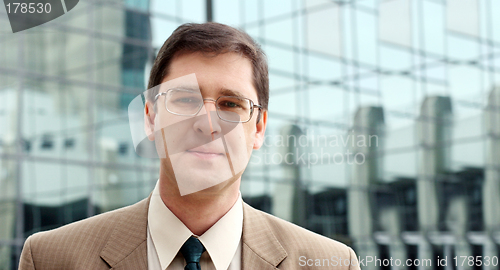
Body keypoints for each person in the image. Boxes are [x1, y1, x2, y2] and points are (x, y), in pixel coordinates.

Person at [19, 22, 360, 270]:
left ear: (258, 129)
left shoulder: (329, 264)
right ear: (150, 118)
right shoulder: (51, 258)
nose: (207, 123)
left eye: (230, 104)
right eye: (184, 99)